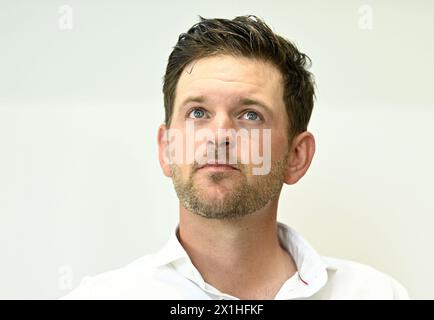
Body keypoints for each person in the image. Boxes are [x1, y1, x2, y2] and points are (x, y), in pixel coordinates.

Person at [62, 15, 408, 300]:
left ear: (296, 156)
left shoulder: (376, 294)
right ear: (166, 149)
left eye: (251, 115)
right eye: (198, 112)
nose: (219, 134)